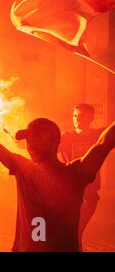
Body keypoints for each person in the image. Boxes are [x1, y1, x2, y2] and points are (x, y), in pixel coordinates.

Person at [0, 102, 115, 252]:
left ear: (54, 142)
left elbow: (104, 142)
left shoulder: (33, 170)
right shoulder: (30, 169)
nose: (30, 145)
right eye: (29, 140)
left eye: (37, 139)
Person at [58, 103, 106, 246]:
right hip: (70, 192)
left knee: (76, 232)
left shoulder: (99, 136)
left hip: (90, 193)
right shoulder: (65, 137)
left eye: (81, 116)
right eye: (75, 116)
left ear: (91, 118)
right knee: (72, 233)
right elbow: (43, 148)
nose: (77, 119)